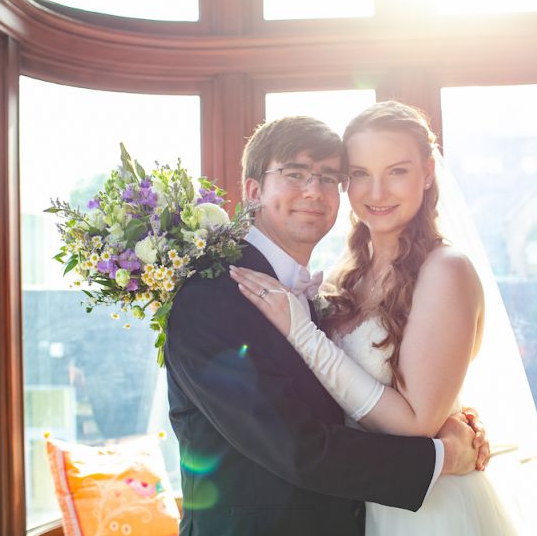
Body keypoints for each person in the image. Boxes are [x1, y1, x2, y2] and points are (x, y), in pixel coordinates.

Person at [230, 101, 537, 535]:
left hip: (423, 510)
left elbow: (416, 424)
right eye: (359, 174)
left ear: (428, 173)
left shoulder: (446, 270)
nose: (376, 193)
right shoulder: (347, 270)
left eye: (396, 171)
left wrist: (303, 333)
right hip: (354, 498)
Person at [165, 115, 489, 536]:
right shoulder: (215, 293)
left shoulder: (324, 290)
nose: (313, 192)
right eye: (294, 175)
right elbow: (298, 449)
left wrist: (450, 411)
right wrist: (444, 455)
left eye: (329, 178)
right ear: (253, 191)